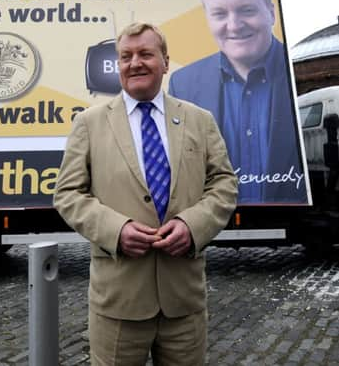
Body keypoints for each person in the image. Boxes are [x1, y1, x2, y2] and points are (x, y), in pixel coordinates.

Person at [54, 22, 237, 365]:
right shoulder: (89, 124)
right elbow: (68, 194)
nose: (134, 62)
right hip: (118, 302)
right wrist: (116, 230)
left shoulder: (200, 120)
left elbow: (224, 184)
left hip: (183, 301)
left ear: (166, 62)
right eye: (126, 56)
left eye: (145, 54)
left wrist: (192, 225)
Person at [168, 0, 307, 204]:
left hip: (293, 227)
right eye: (220, 14)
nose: (234, 25)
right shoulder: (183, 84)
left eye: (247, 10)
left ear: (271, 13)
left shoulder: (300, 74)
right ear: (208, 19)